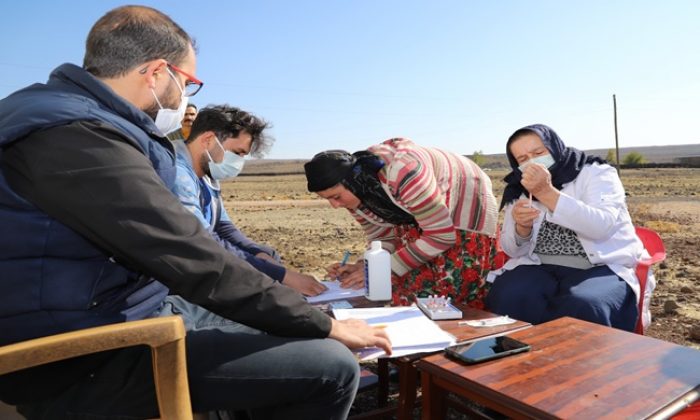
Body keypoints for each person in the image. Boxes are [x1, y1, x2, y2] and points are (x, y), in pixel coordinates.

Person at [0, 5, 390, 420]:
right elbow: (189, 254)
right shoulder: (77, 137)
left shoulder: (67, 117)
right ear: (156, 73)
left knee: (275, 332)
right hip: (81, 357)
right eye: (187, 82)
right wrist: (327, 326)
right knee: (332, 369)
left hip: (117, 319)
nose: (185, 96)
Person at [485, 124, 646, 331]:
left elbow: (601, 226)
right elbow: (512, 250)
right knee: (508, 293)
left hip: (598, 267)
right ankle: (519, 360)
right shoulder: (518, 188)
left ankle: (578, 362)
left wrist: (546, 192)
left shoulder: (596, 173)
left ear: (555, 147)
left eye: (539, 153)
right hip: (540, 265)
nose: (532, 162)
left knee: (585, 304)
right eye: (523, 159)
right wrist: (521, 228)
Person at [304, 138, 499, 307]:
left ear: (354, 181)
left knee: (450, 289)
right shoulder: (358, 190)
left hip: (463, 200)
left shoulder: (402, 172)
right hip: (417, 211)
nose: (335, 205)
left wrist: (379, 269)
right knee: (407, 283)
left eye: (336, 197)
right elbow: (382, 237)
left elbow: (441, 236)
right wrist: (365, 265)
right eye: (327, 199)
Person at [174, 105, 327, 296]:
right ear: (208, 140)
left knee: (268, 256)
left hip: (199, 268)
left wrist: (256, 252)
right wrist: (281, 275)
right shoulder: (176, 174)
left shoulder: (207, 175)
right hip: (177, 282)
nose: (239, 162)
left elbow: (224, 227)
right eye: (237, 153)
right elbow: (204, 241)